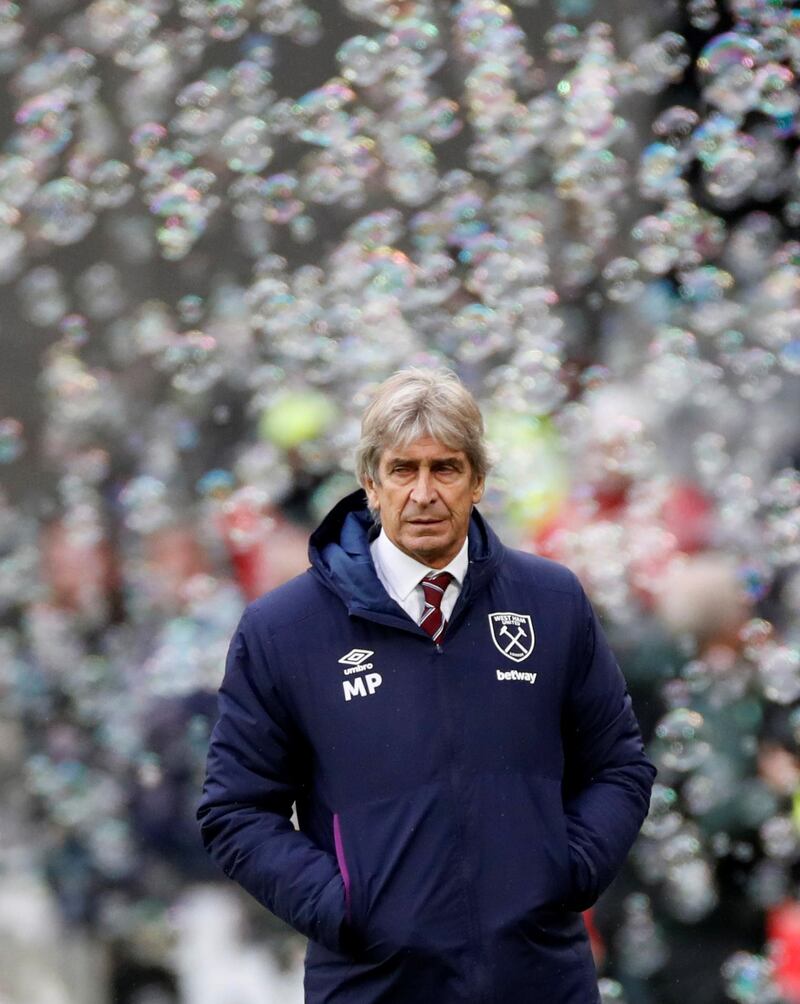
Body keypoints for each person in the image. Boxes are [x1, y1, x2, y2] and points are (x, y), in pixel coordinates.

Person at [197, 367, 657, 1003]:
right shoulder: (284, 630)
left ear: (477, 481)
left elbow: (619, 767)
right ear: (370, 484)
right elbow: (236, 810)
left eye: (444, 469)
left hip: (540, 980)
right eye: (402, 470)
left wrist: (565, 872)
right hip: (374, 988)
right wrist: (347, 909)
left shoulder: (552, 602)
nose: (423, 493)